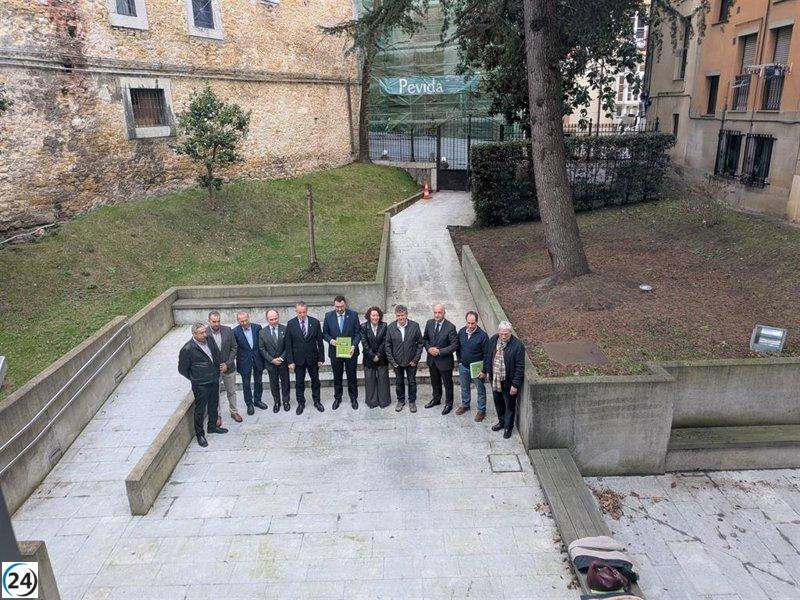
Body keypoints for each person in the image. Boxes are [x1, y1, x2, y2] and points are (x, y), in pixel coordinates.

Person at [178, 322, 228, 447]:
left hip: (213, 380)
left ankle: (212, 426)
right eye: (201, 333)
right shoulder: (187, 349)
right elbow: (182, 369)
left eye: (205, 332)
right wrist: (195, 378)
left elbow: (216, 354)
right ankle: (200, 434)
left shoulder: (209, 340)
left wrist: (218, 368)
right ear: (194, 334)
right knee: (200, 410)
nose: (204, 335)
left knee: (213, 404)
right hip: (200, 384)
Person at [482, 321, 526, 439]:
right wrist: (486, 370)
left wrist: (515, 385)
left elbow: (520, 367)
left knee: (509, 406)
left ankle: (508, 427)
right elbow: (487, 356)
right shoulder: (493, 340)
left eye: (506, 334)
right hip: (495, 379)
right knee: (498, 402)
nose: (503, 336)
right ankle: (501, 422)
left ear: (510, 333)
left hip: (508, 382)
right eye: (501, 333)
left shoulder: (518, 346)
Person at [285, 301, 325, 414]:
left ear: (307, 311)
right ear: (296, 311)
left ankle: (317, 401)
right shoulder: (291, 324)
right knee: (299, 382)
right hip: (298, 360)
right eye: (299, 312)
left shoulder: (315, 322)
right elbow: (288, 344)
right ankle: (301, 403)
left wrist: (321, 358)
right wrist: (290, 361)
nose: (302, 315)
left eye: (304, 312)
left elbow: (320, 342)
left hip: (313, 358)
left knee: (315, 381)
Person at [322, 295, 361, 410]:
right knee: (337, 376)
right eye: (337, 307)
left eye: (341, 306)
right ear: (334, 305)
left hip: (350, 352)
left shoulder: (353, 315)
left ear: (345, 305)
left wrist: (354, 345)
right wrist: (330, 340)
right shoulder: (328, 316)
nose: (339, 309)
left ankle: (353, 398)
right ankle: (337, 398)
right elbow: (324, 333)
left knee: (352, 376)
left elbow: (358, 333)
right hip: (335, 352)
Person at [385, 304, 423, 413]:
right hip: (397, 362)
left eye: (403, 315)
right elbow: (387, 345)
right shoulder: (391, 327)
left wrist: (415, 360)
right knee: (399, 382)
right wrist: (393, 362)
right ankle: (400, 401)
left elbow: (420, 343)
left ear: (406, 314)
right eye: (398, 315)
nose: (401, 318)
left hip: (411, 362)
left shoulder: (415, 326)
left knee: (412, 382)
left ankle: (412, 402)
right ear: (396, 316)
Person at [423, 303, 459, 415]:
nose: (437, 315)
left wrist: (439, 351)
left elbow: (454, 345)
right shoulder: (429, 323)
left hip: (444, 361)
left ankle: (449, 403)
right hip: (432, 360)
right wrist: (428, 349)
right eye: (435, 312)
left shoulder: (450, 327)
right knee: (435, 382)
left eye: (439, 312)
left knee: (448, 384)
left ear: (444, 313)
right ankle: (436, 399)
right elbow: (425, 339)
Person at [455, 311, 491, 422]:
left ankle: (481, 410)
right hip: (464, 366)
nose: (470, 326)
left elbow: (487, 355)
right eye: (468, 323)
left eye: (473, 323)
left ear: (477, 322)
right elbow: (458, 348)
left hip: (477, 369)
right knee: (464, 387)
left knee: (480, 389)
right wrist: (460, 361)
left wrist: (484, 370)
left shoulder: (483, 336)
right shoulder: (461, 332)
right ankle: (465, 405)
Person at [207, 311, 240, 424]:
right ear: (209, 321)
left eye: (218, 321)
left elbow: (234, 348)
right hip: (213, 370)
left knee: (231, 391)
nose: (216, 324)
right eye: (214, 321)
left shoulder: (228, 330)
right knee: (215, 393)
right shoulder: (205, 333)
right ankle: (217, 415)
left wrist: (228, 364)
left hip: (229, 368)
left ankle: (234, 411)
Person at [232, 311, 267, 415]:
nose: (244, 323)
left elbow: (261, 343)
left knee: (258, 381)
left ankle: (257, 400)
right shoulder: (234, 331)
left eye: (246, 320)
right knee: (246, 384)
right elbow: (234, 347)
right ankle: (249, 404)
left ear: (249, 318)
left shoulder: (257, 327)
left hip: (257, 359)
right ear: (238, 321)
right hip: (244, 361)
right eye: (241, 321)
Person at [258, 309, 290, 413]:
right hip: (271, 363)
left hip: (283, 362)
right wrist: (272, 360)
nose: (274, 321)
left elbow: (288, 346)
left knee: (285, 382)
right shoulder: (262, 332)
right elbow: (262, 349)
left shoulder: (285, 329)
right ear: (267, 319)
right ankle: (277, 402)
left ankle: (286, 401)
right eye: (271, 319)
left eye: (276, 318)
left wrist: (281, 358)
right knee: (273, 383)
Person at [360, 306, 391, 409]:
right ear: (369, 316)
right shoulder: (364, 326)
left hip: (381, 357)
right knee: (370, 380)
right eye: (373, 315)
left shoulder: (384, 326)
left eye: (377, 315)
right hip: (369, 358)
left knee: (383, 380)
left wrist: (378, 354)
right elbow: (364, 342)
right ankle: (372, 402)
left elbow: (385, 341)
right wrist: (372, 355)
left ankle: (384, 401)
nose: (375, 317)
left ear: (380, 316)